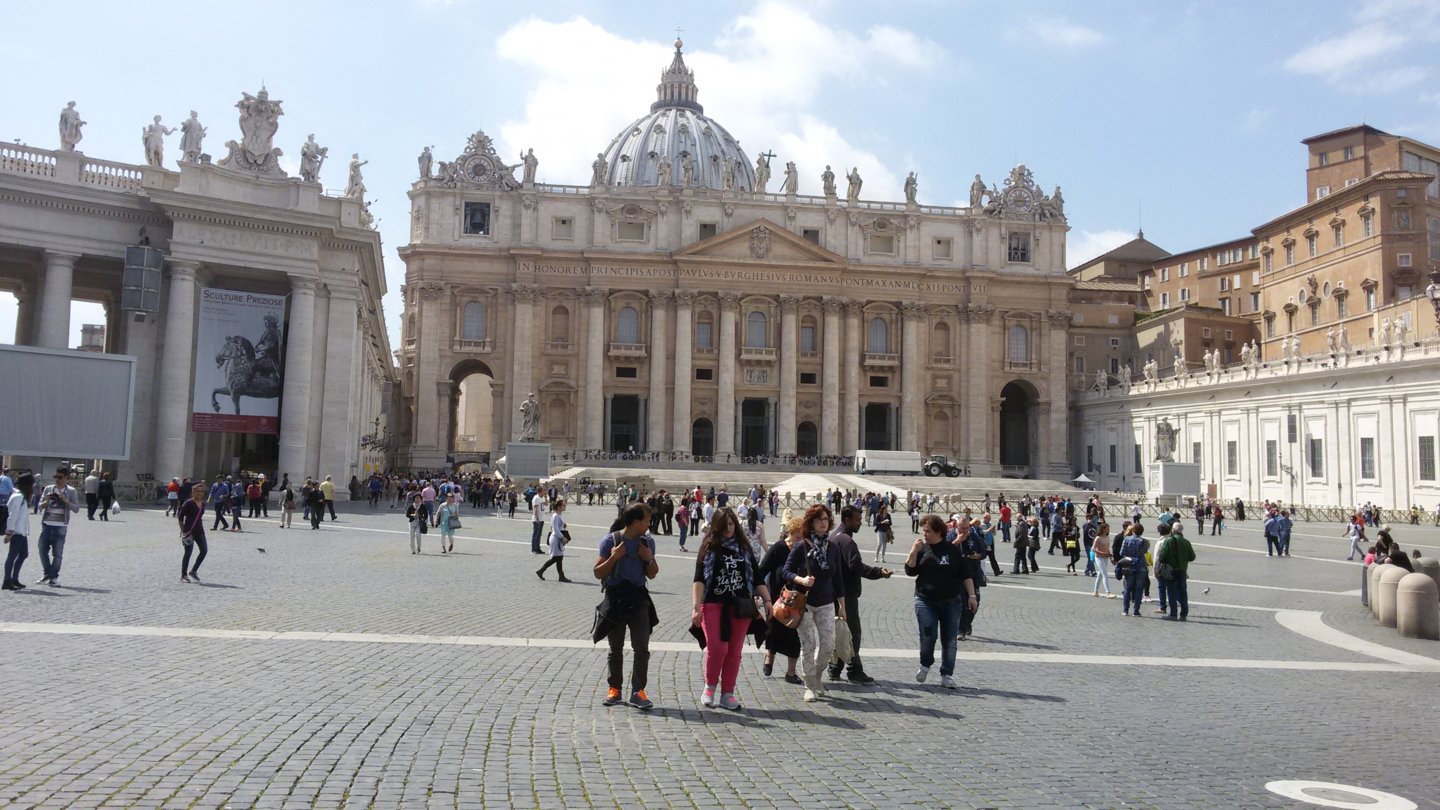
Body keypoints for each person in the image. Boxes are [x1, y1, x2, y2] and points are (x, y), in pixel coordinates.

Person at [692, 507, 770, 711]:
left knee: (734, 651)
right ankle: (709, 687)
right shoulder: (709, 547)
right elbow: (699, 579)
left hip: (740, 605)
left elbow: (758, 577)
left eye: (732, 524)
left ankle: (728, 693)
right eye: (725, 525)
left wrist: (768, 600)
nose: (729, 528)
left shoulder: (744, 548)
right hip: (713, 602)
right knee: (717, 648)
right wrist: (696, 607)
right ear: (717, 526)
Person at [595, 503, 660, 709]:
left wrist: (649, 559)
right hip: (616, 600)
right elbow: (598, 572)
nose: (649, 524)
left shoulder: (647, 542)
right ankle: (614, 689)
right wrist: (614, 557)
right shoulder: (610, 540)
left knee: (642, 648)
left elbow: (652, 573)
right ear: (635, 522)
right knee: (615, 648)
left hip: (639, 599)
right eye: (647, 520)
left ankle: (638, 691)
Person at [905, 514, 978, 690]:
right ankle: (925, 664)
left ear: (938, 532)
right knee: (928, 634)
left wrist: (972, 596)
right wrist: (913, 551)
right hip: (925, 600)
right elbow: (910, 570)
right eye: (923, 530)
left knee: (950, 639)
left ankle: (947, 674)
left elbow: (965, 574)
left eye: (928, 531)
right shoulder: (922, 548)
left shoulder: (952, 550)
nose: (924, 534)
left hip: (951, 601)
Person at [782, 504, 846, 703]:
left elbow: (838, 578)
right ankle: (809, 685)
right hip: (805, 604)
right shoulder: (802, 546)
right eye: (819, 519)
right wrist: (801, 580)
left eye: (826, 519)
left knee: (828, 644)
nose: (824, 522)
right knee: (808, 645)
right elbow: (786, 571)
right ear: (811, 523)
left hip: (827, 602)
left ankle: (817, 674)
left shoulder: (832, 547)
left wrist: (842, 605)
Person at [828, 505, 892, 683]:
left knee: (841, 632)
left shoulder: (834, 536)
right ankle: (854, 670)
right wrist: (879, 572)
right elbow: (856, 567)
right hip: (846, 594)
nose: (860, 523)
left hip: (835, 592)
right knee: (853, 633)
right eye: (857, 520)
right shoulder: (847, 541)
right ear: (846, 520)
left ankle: (835, 667)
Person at [760, 515, 805, 684]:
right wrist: (758, 593)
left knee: (794, 636)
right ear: (790, 533)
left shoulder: (803, 550)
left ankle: (791, 672)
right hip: (775, 599)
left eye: (803, 537)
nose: (800, 541)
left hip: (796, 600)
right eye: (797, 537)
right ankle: (769, 658)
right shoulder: (778, 548)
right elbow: (762, 569)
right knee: (772, 632)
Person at [35, 469, 79, 587]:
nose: (57, 480)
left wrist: (65, 500)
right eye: (56, 477)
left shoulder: (71, 491)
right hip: (47, 524)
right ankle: (47, 573)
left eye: (60, 477)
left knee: (57, 553)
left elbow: (76, 509)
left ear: (66, 478)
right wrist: (47, 501)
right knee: (42, 550)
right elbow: (39, 506)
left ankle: (53, 577)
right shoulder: (49, 489)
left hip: (60, 526)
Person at [1156, 522, 1196, 620]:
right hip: (1182, 570)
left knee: (1171, 592)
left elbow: (1162, 557)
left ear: (1173, 530)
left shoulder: (1169, 541)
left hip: (1171, 570)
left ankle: (1173, 614)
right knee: (1183, 592)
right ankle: (1183, 614)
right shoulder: (1186, 542)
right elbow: (1192, 557)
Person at [3, 474, 35, 590]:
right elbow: (12, 515)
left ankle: (14, 578)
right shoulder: (18, 497)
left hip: (22, 531)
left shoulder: (22, 496)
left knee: (23, 554)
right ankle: (7, 580)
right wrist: (9, 532)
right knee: (12, 556)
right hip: (16, 531)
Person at [177, 484, 209, 583]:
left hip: (199, 530)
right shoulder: (188, 503)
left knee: (204, 550)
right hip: (188, 531)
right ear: (193, 492)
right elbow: (180, 517)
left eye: (201, 491)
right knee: (188, 553)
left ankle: (193, 571)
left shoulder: (203, 504)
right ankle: (183, 575)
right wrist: (182, 530)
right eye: (197, 491)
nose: (199, 493)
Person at [1116, 523, 1150, 617]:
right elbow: (1145, 551)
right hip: (1141, 566)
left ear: (1133, 530)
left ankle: (1125, 610)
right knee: (1139, 589)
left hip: (1129, 565)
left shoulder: (1126, 539)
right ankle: (1136, 611)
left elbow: (1122, 552)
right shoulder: (1145, 542)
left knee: (1127, 588)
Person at [536, 499, 571, 582]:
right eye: (563, 505)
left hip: (558, 538)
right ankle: (541, 571)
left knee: (559, 557)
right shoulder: (555, 516)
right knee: (556, 558)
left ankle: (560, 576)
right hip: (555, 538)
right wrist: (563, 537)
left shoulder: (559, 515)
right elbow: (555, 529)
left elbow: (559, 527)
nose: (565, 506)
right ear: (559, 507)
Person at [1091, 520, 1116, 598]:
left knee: (1100, 574)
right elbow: (1093, 549)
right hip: (1099, 557)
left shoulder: (1107, 537)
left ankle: (1095, 591)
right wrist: (1102, 553)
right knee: (1105, 574)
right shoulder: (1098, 538)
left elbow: (1107, 547)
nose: (1108, 530)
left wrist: (1110, 556)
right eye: (1107, 528)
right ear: (1103, 529)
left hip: (1105, 557)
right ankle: (1108, 592)